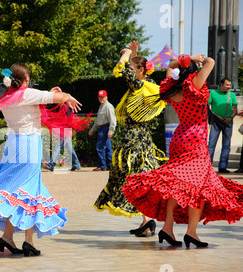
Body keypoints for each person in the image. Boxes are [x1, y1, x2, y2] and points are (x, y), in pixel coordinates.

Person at [0, 62, 81, 256]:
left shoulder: (7, 97)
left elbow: (35, 101)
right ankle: (24, 240)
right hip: (29, 144)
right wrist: (67, 96)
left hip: (13, 144)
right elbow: (58, 97)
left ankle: (11, 237)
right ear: (27, 79)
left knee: (20, 191)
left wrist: (51, 94)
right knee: (28, 190)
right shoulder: (28, 94)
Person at [122, 54, 243, 247]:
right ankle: (191, 233)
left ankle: (168, 228)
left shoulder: (172, 87)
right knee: (199, 188)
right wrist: (198, 60)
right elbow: (211, 62)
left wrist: (189, 58)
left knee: (175, 184)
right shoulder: (193, 84)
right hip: (195, 140)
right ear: (193, 71)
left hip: (179, 137)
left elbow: (172, 66)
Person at [94, 42, 167, 237]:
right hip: (143, 139)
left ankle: (147, 219)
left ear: (140, 71)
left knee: (132, 179)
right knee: (137, 179)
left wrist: (126, 55)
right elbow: (135, 71)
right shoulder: (145, 85)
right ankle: (146, 220)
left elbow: (125, 72)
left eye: (134, 68)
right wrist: (134, 54)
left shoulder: (139, 85)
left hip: (133, 140)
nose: (130, 70)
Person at [207, 77, 238, 173]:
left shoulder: (232, 95)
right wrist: (212, 116)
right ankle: (208, 166)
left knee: (226, 145)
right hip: (216, 122)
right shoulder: (213, 93)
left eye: (230, 85)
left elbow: (235, 108)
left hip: (228, 123)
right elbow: (207, 106)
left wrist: (231, 118)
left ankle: (223, 167)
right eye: (227, 85)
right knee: (211, 144)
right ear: (221, 84)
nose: (229, 87)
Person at [45, 106, 81, 172]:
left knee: (58, 148)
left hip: (65, 131)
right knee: (70, 149)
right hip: (63, 131)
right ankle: (76, 164)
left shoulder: (65, 108)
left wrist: (69, 131)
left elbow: (69, 120)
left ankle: (51, 165)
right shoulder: (61, 107)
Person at [88, 90, 116, 171]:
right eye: (100, 98)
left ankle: (102, 166)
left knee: (100, 147)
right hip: (102, 128)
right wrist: (92, 130)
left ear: (106, 97)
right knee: (107, 148)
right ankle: (109, 166)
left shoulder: (108, 106)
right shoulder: (101, 106)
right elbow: (98, 120)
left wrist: (111, 131)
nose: (101, 99)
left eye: (103, 97)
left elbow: (113, 120)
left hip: (105, 128)